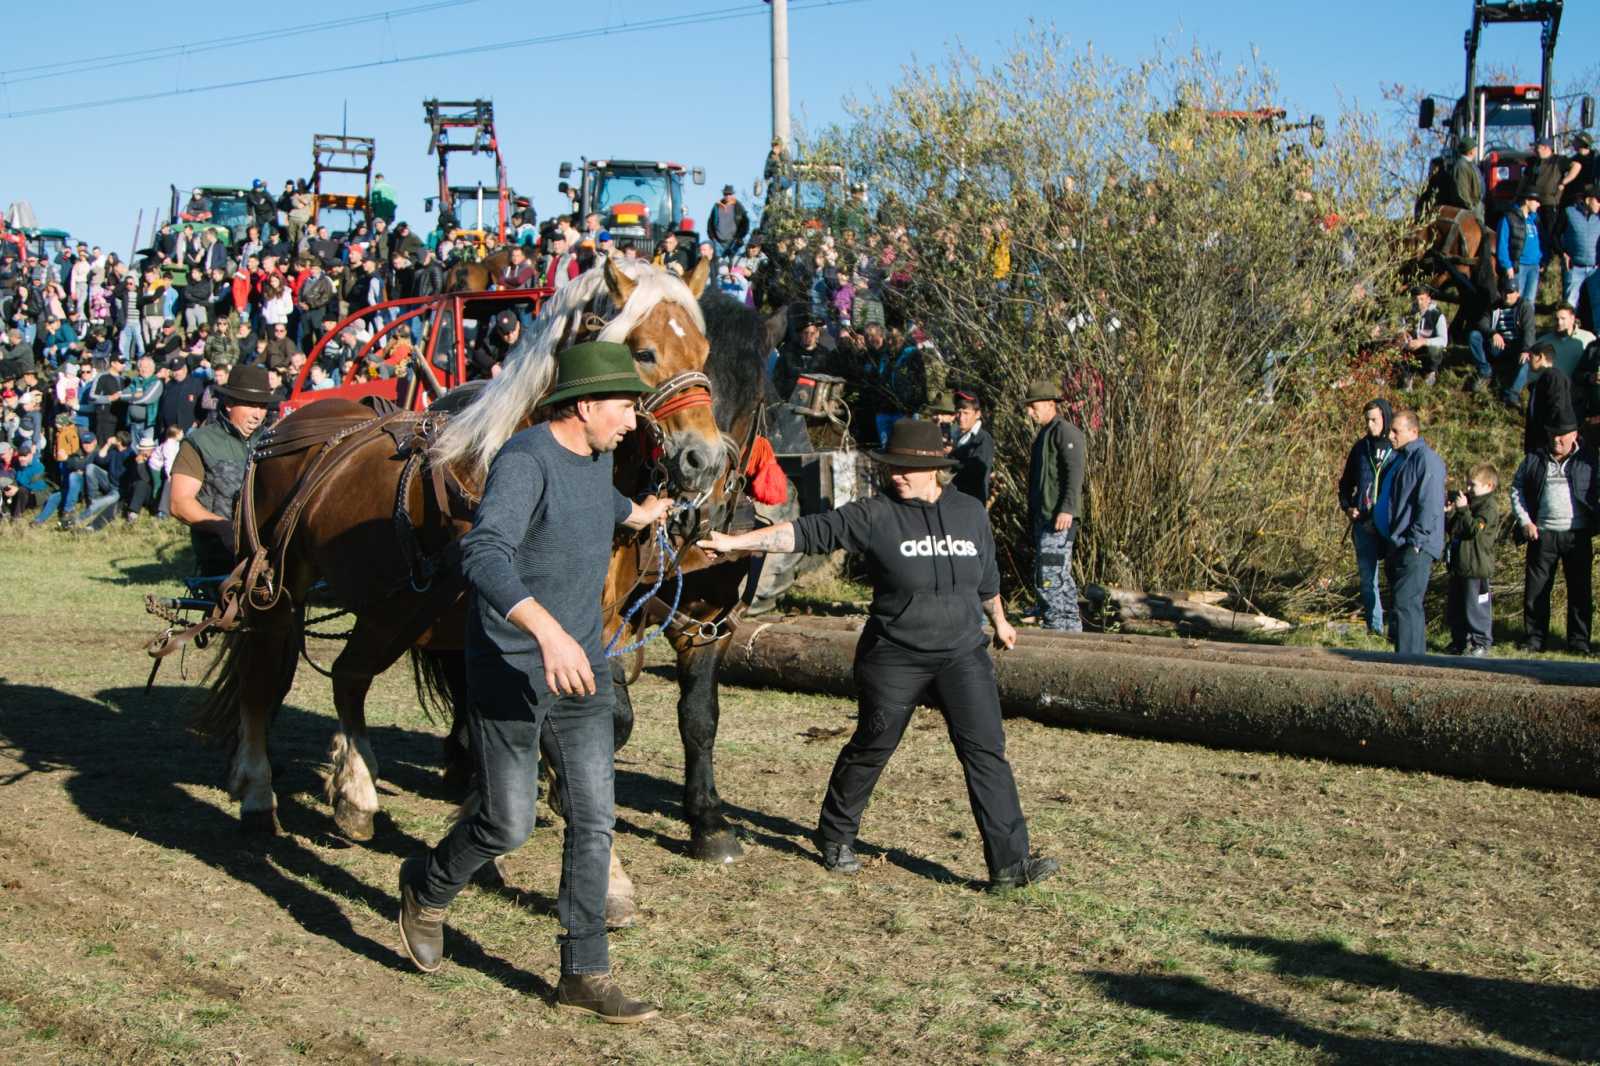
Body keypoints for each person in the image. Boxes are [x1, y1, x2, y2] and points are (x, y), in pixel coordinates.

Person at [397, 341, 670, 1023]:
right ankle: (426, 887)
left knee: (593, 818)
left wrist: (638, 514)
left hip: (584, 673)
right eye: (624, 405)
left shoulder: (597, 457)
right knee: (508, 822)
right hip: (513, 671)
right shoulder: (523, 462)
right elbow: (483, 552)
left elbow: (594, 505)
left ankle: (584, 969)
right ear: (583, 405)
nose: (633, 420)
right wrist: (546, 631)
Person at [697, 418, 1059, 890]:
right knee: (872, 745)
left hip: (962, 654)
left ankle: (1011, 866)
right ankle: (835, 835)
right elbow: (803, 533)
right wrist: (734, 543)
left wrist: (1001, 621)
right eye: (892, 466)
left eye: (906, 467)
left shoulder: (970, 513)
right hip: (895, 655)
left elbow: (986, 579)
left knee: (987, 753)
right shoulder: (874, 514)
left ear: (934, 469)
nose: (896, 475)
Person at [168, 364, 275, 576]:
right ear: (228, 404)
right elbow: (179, 503)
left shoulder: (273, 442)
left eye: (262, 406)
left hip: (270, 557)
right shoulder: (200, 442)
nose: (257, 414)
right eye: (250, 405)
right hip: (221, 557)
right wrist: (225, 528)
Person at [1510, 419, 1595, 654]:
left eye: (1562, 435)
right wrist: (1525, 521)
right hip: (1542, 534)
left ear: (1574, 435)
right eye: (1553, 435)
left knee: (1580, 591)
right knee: (1536, 591)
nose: (1557, 440)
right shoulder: (1534, 459)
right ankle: (1534, 639)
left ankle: (1579, 642)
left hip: (1577, 536)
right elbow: (1517, 489)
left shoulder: (1588, 460)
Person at [1372, 409, 1445, 656]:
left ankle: (1410, 665)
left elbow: (1430, 503)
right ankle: (1408, 660)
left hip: (1414, 545)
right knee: (1403, 606)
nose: (1390, 435)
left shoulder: (1426, 459)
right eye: (1390, 430)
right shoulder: (1400, 459)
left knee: (1406, 604)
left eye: (1396, 431)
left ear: (1414, 432)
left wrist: (1415, 540)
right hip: (1397, 543)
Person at [1024, 378, 1086, 632]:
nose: (1029, 412)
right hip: (1045, 517)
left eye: (1033, 406)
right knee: (1054, 572)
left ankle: (1059, 626)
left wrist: (1067, 508)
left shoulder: (1065, 432)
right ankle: (1068, 626)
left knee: (1051, 574)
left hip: (1059, 518)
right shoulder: (1044, 434)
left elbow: (1075, 472)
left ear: (1051, 404)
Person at [1336, 399, 1395, 637]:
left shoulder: (1396, 448)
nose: (1370, 425)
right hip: (1363, 524)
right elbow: (1345, 484)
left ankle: (1398, 627)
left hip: (1390, 524)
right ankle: (1375, 627)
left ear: (1385, 419)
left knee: (1395, 576)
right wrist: (1348, 507)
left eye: (1375, 420)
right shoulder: (1360, 449)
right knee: (1367, 579)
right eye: (1367, 420)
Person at [1443, 463, 1504, 656]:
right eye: (1467, 484)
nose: (1468, 489)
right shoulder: (1468, 504)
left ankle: (1481, 642)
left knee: (1476, 607)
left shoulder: (1489, 507)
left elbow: (1473, 530)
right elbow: (1456, 529)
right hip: (1460, 564)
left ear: (1488, 486)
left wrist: (1462, 510)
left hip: (1476, 566)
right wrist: (1450, 512)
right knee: (1457, 606)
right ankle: (1459, 640)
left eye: (1473, 485)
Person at [1470, 276, 1535, 402]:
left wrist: (1526, 349)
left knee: (1527, 360)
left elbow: (1529, 330)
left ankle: (1512, 394)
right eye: (1505, 292)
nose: (1507, 296)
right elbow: (1482, 322)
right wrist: (1493, 333)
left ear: (1517, 293)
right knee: (1474, 336)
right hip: (1498, 345)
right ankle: (1485, 371)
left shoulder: (1525, 307)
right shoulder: (1495, 306)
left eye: (1511, 292)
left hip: (1516, 347)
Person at [1520, 340, 1576, 456]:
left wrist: (1549, 435)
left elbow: (1557, 407)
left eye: (1531, 356)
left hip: (1546, 443)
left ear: (1540, 357)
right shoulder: (1543, 380)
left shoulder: (1553, 376)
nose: (1528, 360)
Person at [1561, 185, 1600, 327]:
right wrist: (1562, 252)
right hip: (1574, 267)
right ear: (1589, 200)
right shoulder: (1569, 212)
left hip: (1595, 268)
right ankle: (1566, 333)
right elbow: (1554, 235)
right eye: (1598, 200)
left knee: (1598, 303)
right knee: (1570, 304)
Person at [1498, 190, 1544, 309]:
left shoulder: (1535, 220)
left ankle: (1527, 326)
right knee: (1514, 301)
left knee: (1529, 302)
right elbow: (1502, 244)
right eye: (1536, 201)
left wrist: (1542, 259)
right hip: (1518, 267)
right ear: (1527, 201)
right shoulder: (1509, 218)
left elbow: (1541, 240)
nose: (1539, 204)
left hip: (1534, 266)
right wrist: (1508, 266)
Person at [949, 390, 995, 505]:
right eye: (958, 412)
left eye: (966, 413)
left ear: (977, 414)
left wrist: (951, 456)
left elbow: (975, 473)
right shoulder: (955, 436)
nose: (960, 417)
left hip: (971, 505)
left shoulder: (983, 439)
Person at [1400, 285, 1449, 389]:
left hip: (1427, 349)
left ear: (1428, 299)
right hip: (1410, 349)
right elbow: (1401, 330)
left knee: (1435, 349)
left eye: (1422, 299)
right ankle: (1408, 375)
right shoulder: (1407, 314)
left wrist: (1423, 341)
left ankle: (1429, 372)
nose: (1419, 302)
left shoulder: (1437, 315)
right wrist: (1404, 339)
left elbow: (1443, 341)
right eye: (1416, 299)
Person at [706, 185, 750, 260]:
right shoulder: (717, 206)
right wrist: (712, 237)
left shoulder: (738, 206)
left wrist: (739, 237)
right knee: (718, 266)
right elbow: (710, 223)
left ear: (732, 194)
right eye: (726, 194)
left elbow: (745, 223)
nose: (728, 196)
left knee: (733, 266)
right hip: (718, 243)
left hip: (733, 243)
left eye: (729, 194)